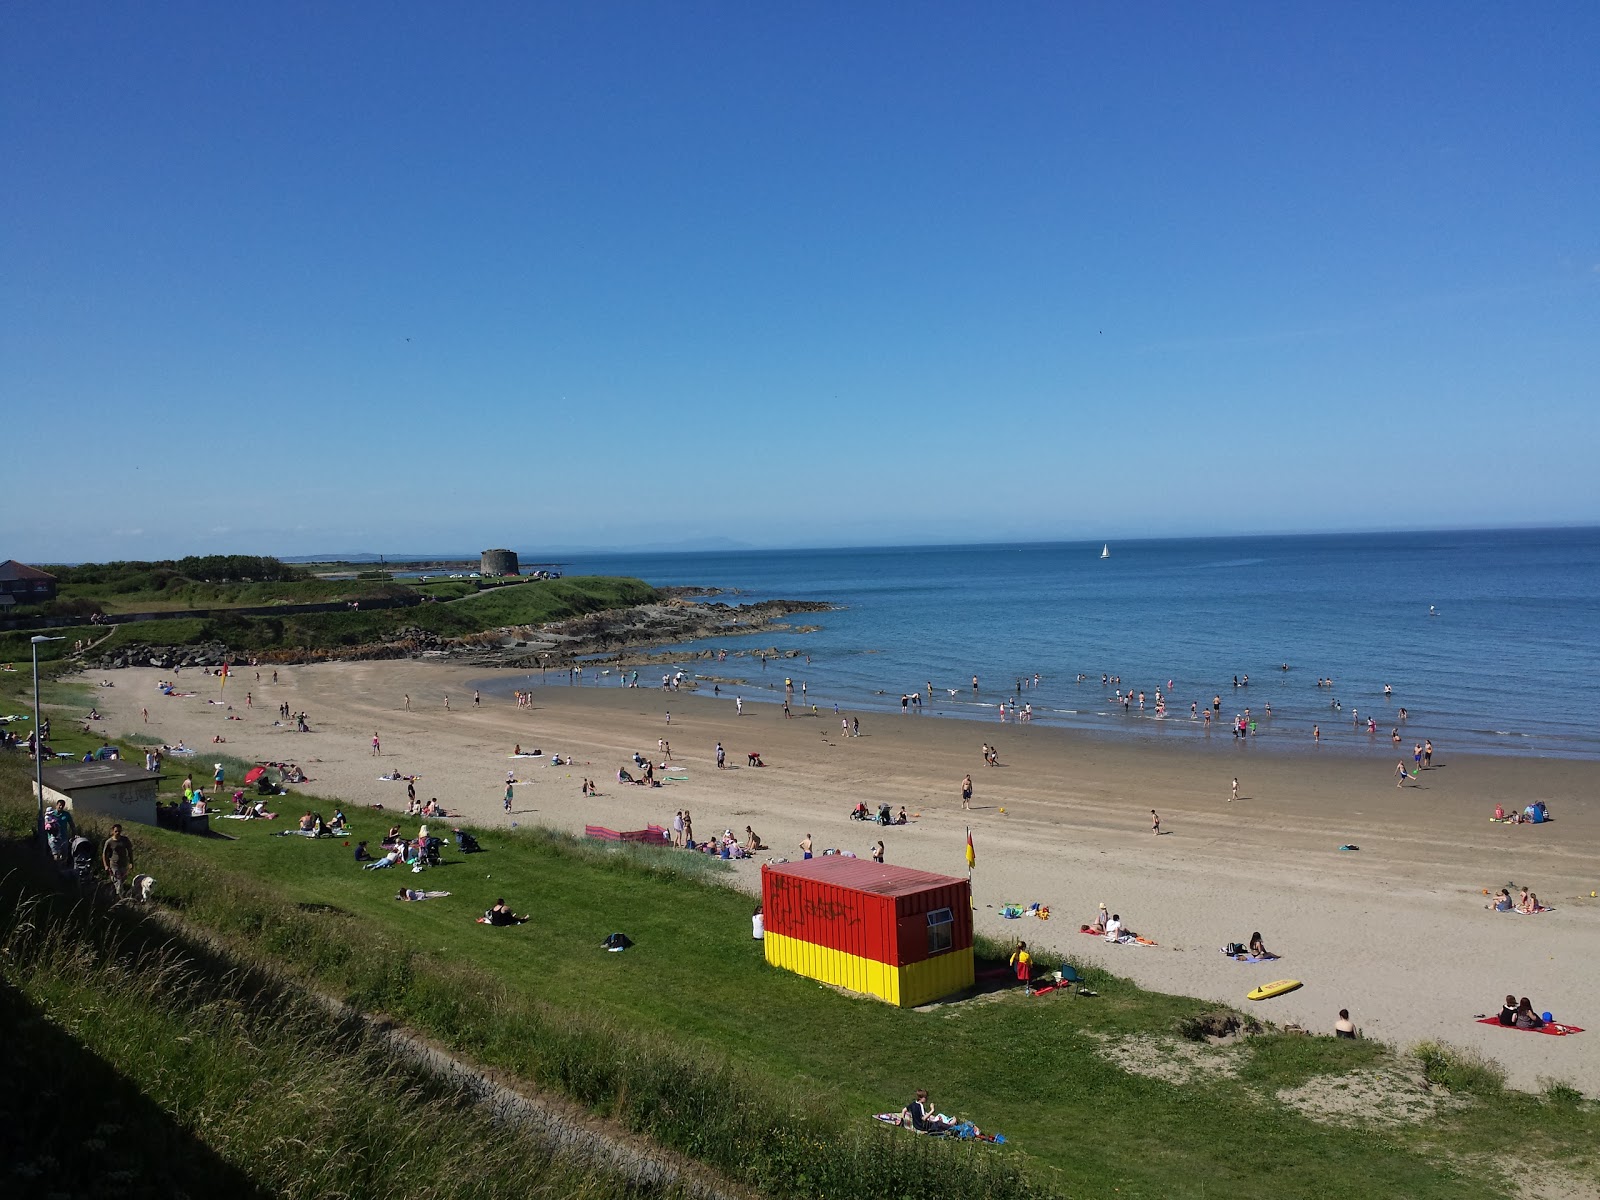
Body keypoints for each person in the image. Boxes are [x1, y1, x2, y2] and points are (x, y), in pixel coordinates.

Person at [102, 824, 134, 897]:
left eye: (119, 831)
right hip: (114, 865)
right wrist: (106, 865)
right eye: (116, 831)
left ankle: (114, 894)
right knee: (118, 881)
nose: (118, 833)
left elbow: (130, 851)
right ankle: (121, 898)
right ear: (113, 831)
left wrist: (131, 862)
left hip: (123, 864)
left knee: (122, 881)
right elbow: (104, 854)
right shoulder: (109, 842)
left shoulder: (125, 840)